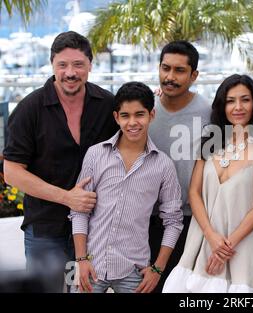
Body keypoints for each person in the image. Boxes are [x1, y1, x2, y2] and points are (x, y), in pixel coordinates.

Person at [2, 31, 118, 292]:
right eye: (62, 65)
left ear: (90, 65)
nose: (70, 72)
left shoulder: (107, 105)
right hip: (46, 230)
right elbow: (12, 172)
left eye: (78, 64)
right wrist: (68, 198)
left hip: (96, 231)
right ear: (52, 65)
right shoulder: (30, 109)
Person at [69, 82, 184, 293]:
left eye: (139, 114)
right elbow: (78, 211)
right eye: (125, 115)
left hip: (135, 271)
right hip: (89, 265)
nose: (133, 122)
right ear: (116, 117)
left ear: (151, 114)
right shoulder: (95, 155)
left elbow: (174, 221)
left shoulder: (163, 165)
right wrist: (80, 259)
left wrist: (158, 269)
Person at [163, 74, 253, 292]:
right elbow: (194, 193)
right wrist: (211, 237)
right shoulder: (209, 144)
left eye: (245, 100)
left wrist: (226, 246)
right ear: (222, 105)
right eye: (231, 101)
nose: (238, 107)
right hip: (203, 238)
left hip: (243, 244)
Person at [148, 40, 211, 292]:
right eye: (165, 68)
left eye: (179, 71)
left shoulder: (208, 113)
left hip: (191, 221)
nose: (169, 77)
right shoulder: (145, 109)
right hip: (146, 219)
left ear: (194, 75)